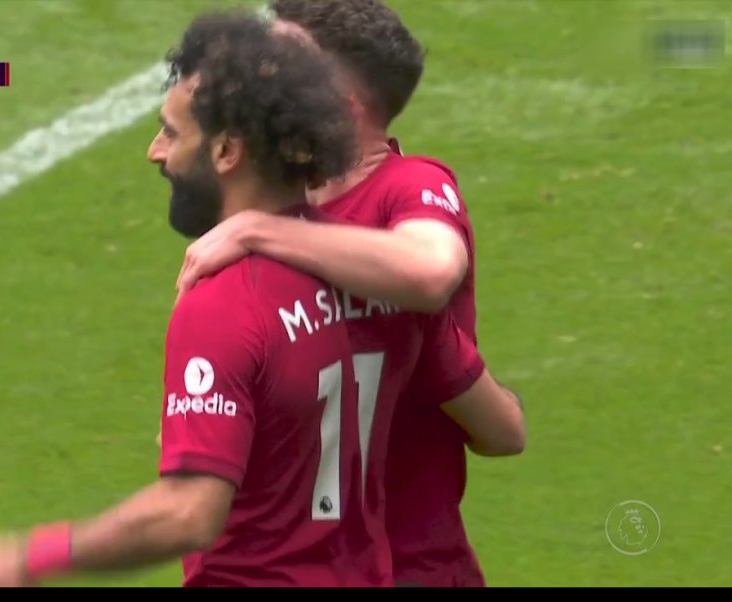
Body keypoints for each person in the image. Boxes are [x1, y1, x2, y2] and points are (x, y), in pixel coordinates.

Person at [0, 9, 497, 588]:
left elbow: (189, 513)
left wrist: (32, 555)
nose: (154, 152)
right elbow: (503, 430)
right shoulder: (369, 281)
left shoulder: (227, 302)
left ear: (228, 151)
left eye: (171, 132)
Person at [172, 0, 525, 588]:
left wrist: (259, 230)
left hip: (405, 565)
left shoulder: (406, 186)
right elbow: (502, 429)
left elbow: (432, 270)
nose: (260, 75)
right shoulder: (275, 207)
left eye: (281, 63)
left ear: (340, 102)